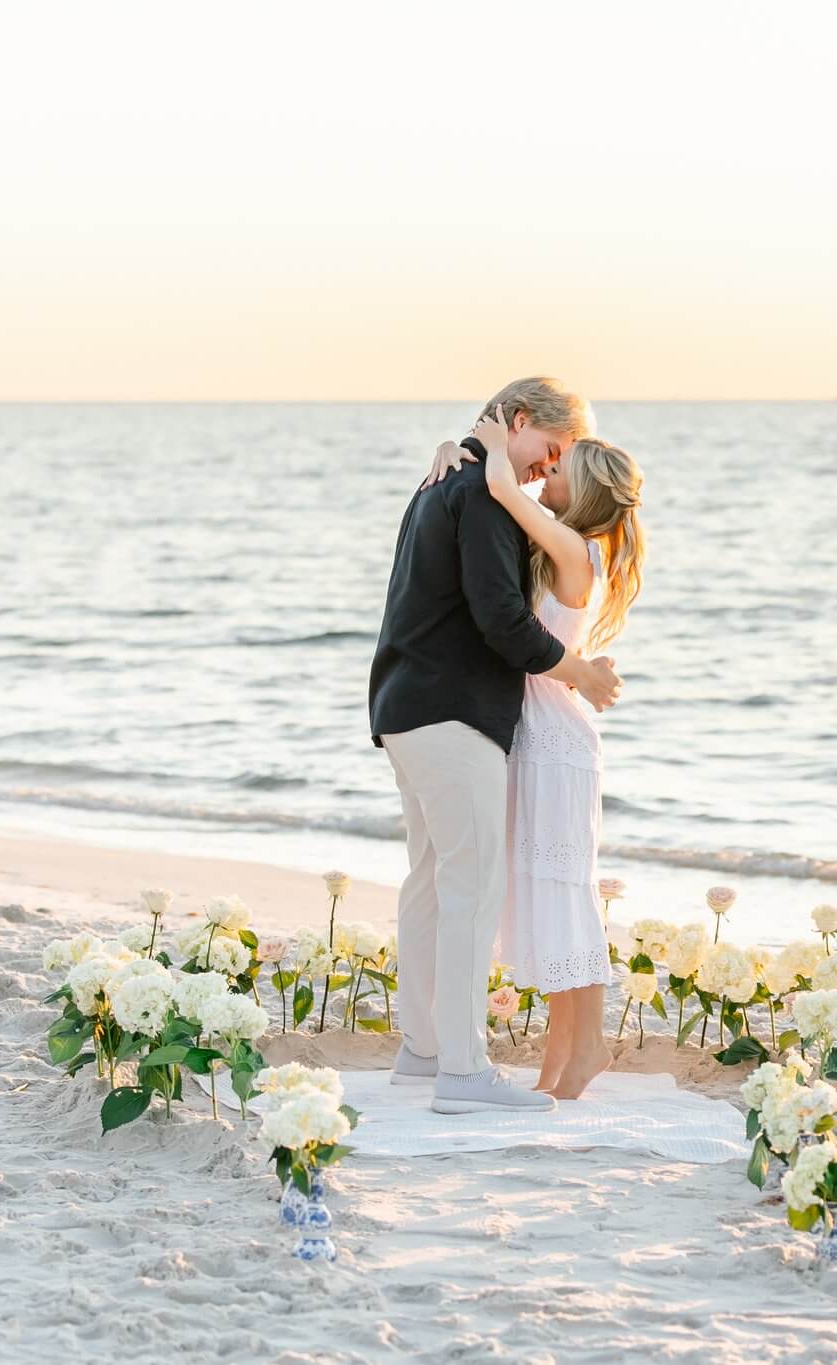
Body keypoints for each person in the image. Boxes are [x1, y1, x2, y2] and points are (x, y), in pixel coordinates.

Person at [368, 377, 621, 1115]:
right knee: (470, 888)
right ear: (517, 421)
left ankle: (423, 1048)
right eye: (547, 451)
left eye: (559, 463)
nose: (547, 469)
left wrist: (465, 449)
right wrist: (576, 669)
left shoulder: (441, 478)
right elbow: (502, 623)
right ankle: (463, 1070)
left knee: (430, 879)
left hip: (403, 703)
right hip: (453, 713)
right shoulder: (478, 488)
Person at [427, 407, 646, 1099]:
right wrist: (446, 448)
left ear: (580, 494)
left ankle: (586, 1049)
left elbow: (499, 485)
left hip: (559, 743)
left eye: (560, 470)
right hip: (541, 736)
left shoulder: (577, 552)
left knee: (564, 896)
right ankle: (565, 1058)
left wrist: (486, 443)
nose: (546, 472)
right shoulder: (561, 547)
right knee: (552, 896)